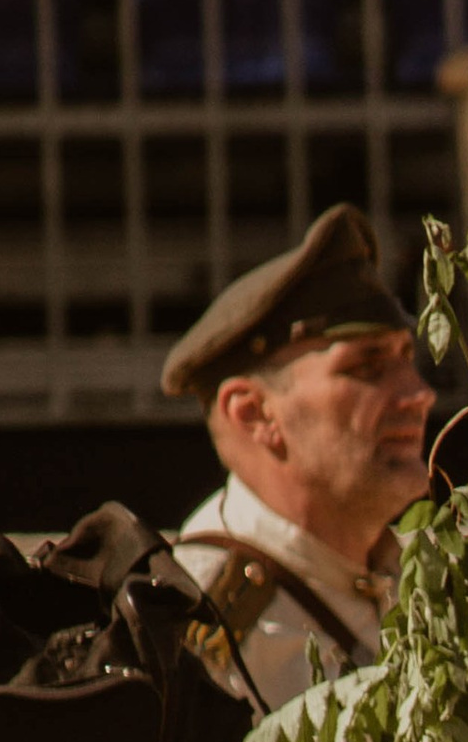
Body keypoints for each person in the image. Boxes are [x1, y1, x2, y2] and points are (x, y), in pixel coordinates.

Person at [160, 204, 436, 707]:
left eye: (405, 358)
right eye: (367, 367)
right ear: (254, 414)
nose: (419, 395)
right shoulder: (201, 630)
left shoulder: (419, 584)